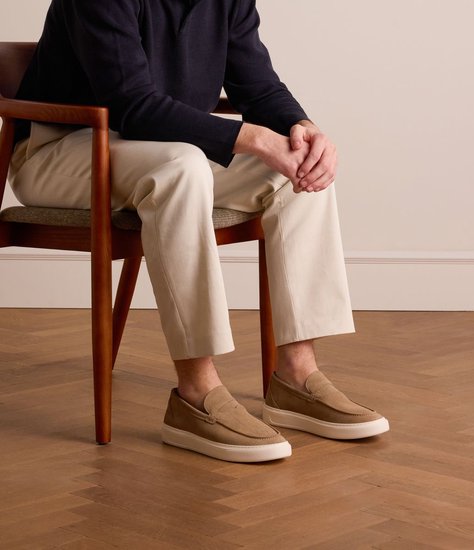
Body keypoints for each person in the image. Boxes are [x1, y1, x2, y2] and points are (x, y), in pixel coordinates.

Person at [9, 0, 389, 462]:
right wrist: (255, 139)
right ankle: (196, 394)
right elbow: (132, 104)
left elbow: (258, 85)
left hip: (157, 146)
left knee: (293, 171)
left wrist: (302, 130)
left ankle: (297, 377)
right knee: (183, 167)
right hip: (59, 151)